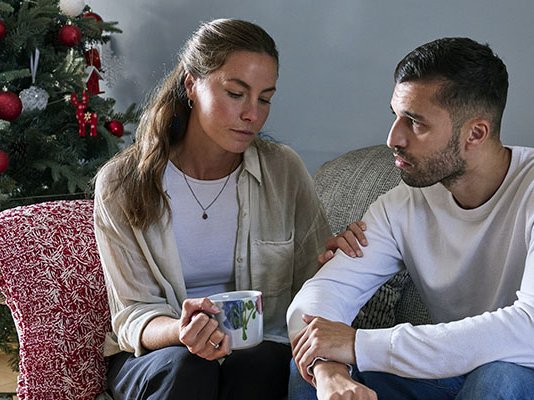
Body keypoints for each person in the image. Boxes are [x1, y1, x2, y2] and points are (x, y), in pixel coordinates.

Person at [93, 18, 333, 400]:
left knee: (259, 363)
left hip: (257, 353)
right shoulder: (122, 184)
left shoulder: (282, 170)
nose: (253, 114)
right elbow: (133, 313)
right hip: (160, 356)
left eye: (265, 98)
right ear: (191, 83)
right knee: (188, 366)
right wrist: (180, 331)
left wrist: (343, 258)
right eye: (236, 93)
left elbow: (316, 280)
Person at [287, 37, 534, 400]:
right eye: (396, 116)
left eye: (415, 123)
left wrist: (358, 344)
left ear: (475, 133)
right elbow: (321, 296)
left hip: (520, 373)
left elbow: (526, 330)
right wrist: (329, 368)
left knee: (499, 376)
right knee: (305, 364)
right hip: (448, 375)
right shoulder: (401, 205)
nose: (392, 138)